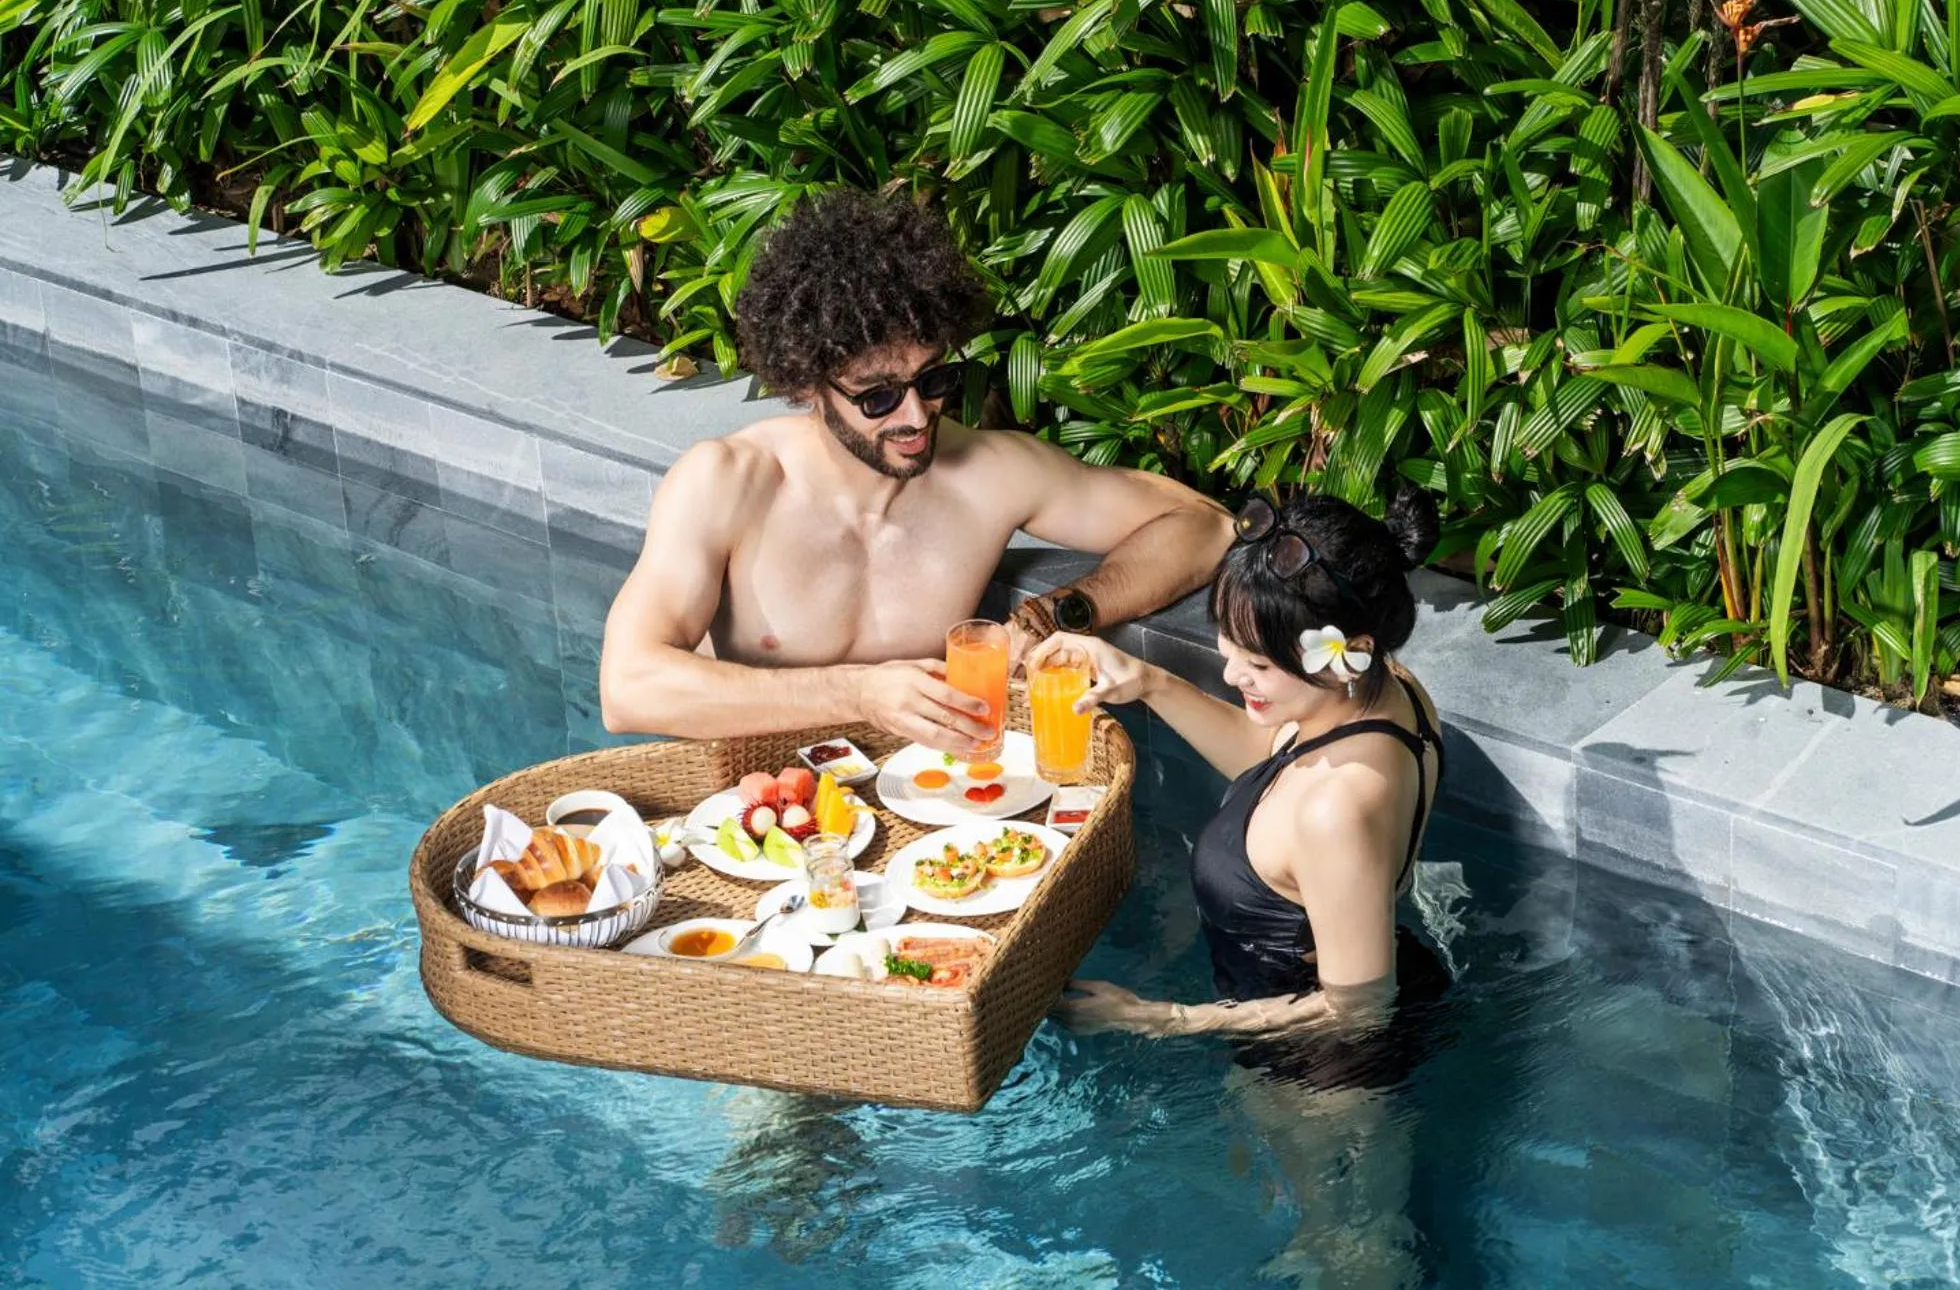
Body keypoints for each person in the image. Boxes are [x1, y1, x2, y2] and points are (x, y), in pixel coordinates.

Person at [600, 189, 1233, 749]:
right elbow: (627, 689)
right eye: (877, 397)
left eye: (932, 380)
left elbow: (1206, 525)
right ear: (808, 385)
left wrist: (1062, 611)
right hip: (768, 809)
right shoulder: (729, 482)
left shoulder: (990, 474)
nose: (916, 416)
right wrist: (859, 693)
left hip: (929, 796)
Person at [1033, 488, 1450, 1067]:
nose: (1232, 676)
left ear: (1347, 654)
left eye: (1257, 664)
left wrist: (1160, 1018)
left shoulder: (1335, 810)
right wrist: (1149, 682)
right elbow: (1274, 762)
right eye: (1229, 646)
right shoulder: (1390, 689)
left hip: (1320, 1072)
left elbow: (1359, 1009)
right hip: (1370, 985)